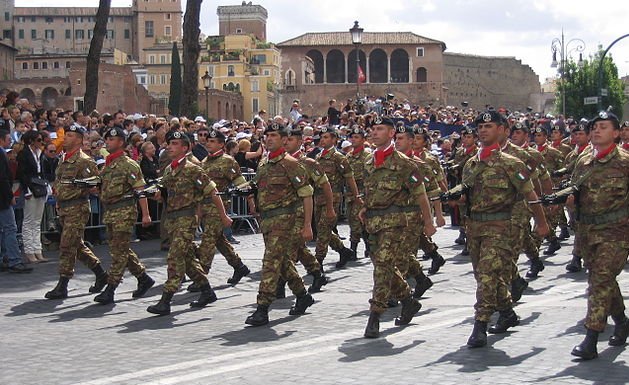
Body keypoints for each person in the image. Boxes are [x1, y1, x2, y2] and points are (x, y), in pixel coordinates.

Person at [455, 111, 548, 348]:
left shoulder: (512, 163)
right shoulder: (471, 164)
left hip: (501, 226)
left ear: (501, 130)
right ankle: (507, 311)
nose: (483, 130)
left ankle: (480, 325)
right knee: (484, 275)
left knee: (487, 274)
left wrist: (542, 222)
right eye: (481, 126)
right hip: (476, 227)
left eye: (489, 126)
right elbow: (468, 195)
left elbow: (531, 193)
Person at [360, 117, 434, 338]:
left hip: (394, 223)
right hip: (373, 223)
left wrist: (429, 222)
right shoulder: (369, 161)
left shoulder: (404, 163)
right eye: (372, 129)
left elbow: (421, 195)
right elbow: (370, 191)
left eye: (380, 129)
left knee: (382, 267)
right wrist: (365, 207)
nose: (374, 133)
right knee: (386, 267)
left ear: (391, 133)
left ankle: (375, 316)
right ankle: (408, 300)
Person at [146, 131, 232, 316]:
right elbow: (166, 192)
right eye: (169, 143)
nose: (170, 146)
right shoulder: (170, 169)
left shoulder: (193, 169)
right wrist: (158, 194)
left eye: (175, 143)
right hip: (172, 219)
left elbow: (213, 192)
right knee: (187, 259)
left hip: (187, 219)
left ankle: (166, 299)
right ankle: (207, 291)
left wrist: (223, 216)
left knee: (175, 257)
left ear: (185, 148)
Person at [567, 111, 629, 360]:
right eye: (594, 127)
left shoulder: (625, 162)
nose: (596, 131)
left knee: (599, 280)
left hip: (617, 232)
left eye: (603, 127)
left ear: (616, 133)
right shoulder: (583, 161)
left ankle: (591, 337)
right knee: (603, 280)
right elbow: (576, 194)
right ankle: (622, 321)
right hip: (588, 232)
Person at [245, 122, 315, 326]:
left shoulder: (291, 164)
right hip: (268, 221)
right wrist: (246, 191)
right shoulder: (265, 164)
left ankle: (262, 308)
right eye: (266, 135)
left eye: (273, 135)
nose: (268, 139)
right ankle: (303, 295)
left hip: (286, 221)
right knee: (283, 261)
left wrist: (307, 225)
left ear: (284, 140)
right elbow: (258, 186)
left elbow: (307, 195)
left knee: (270, 262)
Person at [92, 127, 156, 305]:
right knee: (119, 250)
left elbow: (140, 190)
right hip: (111, 211)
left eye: (111, 140)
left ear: (120, 142)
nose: (108, 142)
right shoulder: (108, 164)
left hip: (124, 212)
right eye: (107, 140)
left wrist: (146, 214)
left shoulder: (129, 164)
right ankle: (143, 278)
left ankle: (110, 288)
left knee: (119, 253)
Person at [45, 124, 109, 300]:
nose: (66, 138)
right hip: (64, 207)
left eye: (71, 135)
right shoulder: (63, 158)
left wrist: (80, 187)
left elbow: (95, 183)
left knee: (67, 245)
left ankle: (63, 283)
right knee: (76, 245)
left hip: (77, 207)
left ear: (80, 140)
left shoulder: (84, 161)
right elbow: (58, 182)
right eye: (67, 135)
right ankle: (101, 274)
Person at [195, 129, 251, 287]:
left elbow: (242, 184)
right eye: (208, 141)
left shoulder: (228, 161)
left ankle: (201, 277)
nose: (208, 143)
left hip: (219, 207)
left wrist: (251, 204)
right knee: (219, 240)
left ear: (221, 144)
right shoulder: (204, 162)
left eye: (213, 141)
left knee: (207, 242)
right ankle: (239, 267)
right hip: (205, 206)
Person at [280, 126, 332, 294]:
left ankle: (279, 285)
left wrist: (330, 208)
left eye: (291, 139)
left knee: (286, 251)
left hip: (301, 213)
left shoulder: (308, 163)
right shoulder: (279, 162)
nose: (287, 143)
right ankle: (317, 273)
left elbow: (325, 185)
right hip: (284, 214)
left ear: (300, 142)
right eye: (285, 139)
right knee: (298, 249)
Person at [314, 126, 361, 268]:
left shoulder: (339, 157)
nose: (323, 140)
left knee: (323, 230)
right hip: (318, 198)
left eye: (326, 137)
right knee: (323, 229)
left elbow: (349, 178)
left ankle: (318, 263)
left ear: (334, 139)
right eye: (322, 137)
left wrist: (356, 196)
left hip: (332, 198)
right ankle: (343, 250)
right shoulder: (318, 157)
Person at [0, 129, 33, 273]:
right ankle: (15, 260)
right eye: (8, 138)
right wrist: (10, 195)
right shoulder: (1, 154)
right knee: (10, 228)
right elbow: (3, 178)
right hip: (2, 198)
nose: (10, 141)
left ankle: (3, 259)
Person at [16, 130, 48, 263]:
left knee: (37, 221)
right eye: (39, 140)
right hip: (30, 187)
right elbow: (22, 174)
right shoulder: (24, 154)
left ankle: (37, 250)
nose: (41, 143)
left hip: (40, 187)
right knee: (29, 221)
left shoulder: (40, 154)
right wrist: (27, 190)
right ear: (31, 141)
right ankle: (29, 251)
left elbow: (42, 172)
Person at [346, 126, 371, 258]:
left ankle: (354, 249)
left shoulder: (367, 156)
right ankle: (368, 246)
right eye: (352, 137)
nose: (354, 140)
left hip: (362, 193)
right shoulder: (349, 156)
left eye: (357, 137)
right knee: (352, 221)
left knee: (358, 221)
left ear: (363, 140)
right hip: (350, 194)